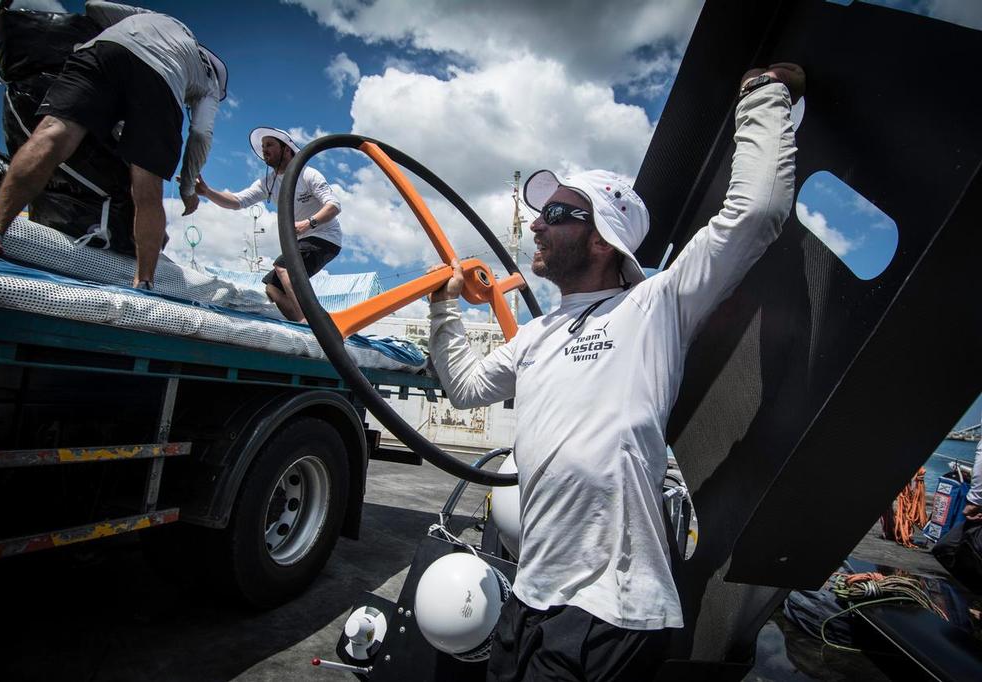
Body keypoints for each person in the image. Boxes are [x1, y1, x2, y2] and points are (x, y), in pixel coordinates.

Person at [427, 63, 805, 681]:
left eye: (557, 212)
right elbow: (466, 387)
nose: (537, 224)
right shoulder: (537, 338)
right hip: (530, 594)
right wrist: (443, 306)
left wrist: (762, 96)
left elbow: (756, 212)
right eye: (541, 212)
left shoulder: (654, 308)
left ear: (603, 239)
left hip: (608, 611)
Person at [0, 1, 227, 290]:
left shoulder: (158, 17)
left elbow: (93, 6)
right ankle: (143, 281)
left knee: (52, 134)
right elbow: (202, 133)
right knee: (147, 187)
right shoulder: (210, 82)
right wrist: (188, 189)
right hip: (162, 81)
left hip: (103, 51)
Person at [193, 127, 342, 322]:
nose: (264, 150)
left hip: (325, 237)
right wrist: (207, 192)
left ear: (287, 149)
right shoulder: (268, 183)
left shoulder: (308, 174)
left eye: (270, 144)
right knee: (272, 287)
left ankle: (311, 322)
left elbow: (334, 205)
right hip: (302, 240)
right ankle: (306, 324)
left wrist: (309, 223)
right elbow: (237, 201)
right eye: (263, 146)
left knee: (283, 267)